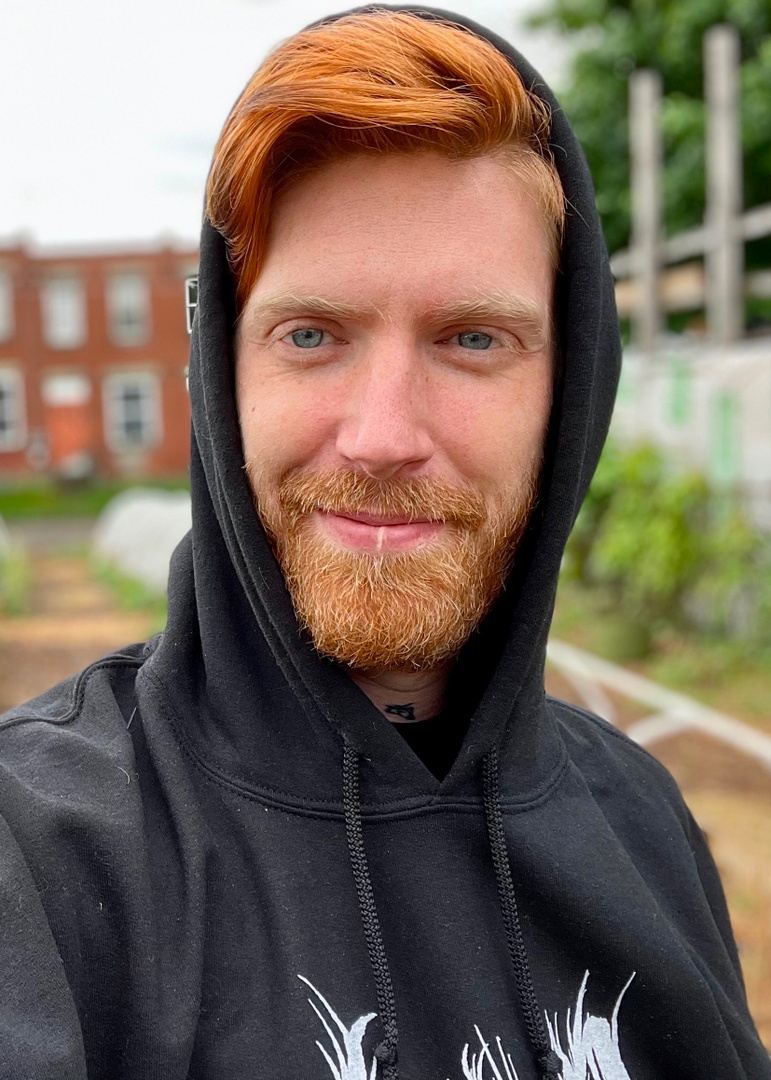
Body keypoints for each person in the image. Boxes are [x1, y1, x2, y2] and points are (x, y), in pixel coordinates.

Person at [0, 7, 768, 1080]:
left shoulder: (643, 824)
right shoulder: (38, 853)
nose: (382, 436)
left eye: (472, 339)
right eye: (311, 335)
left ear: (570, 388)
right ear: (223, 374)